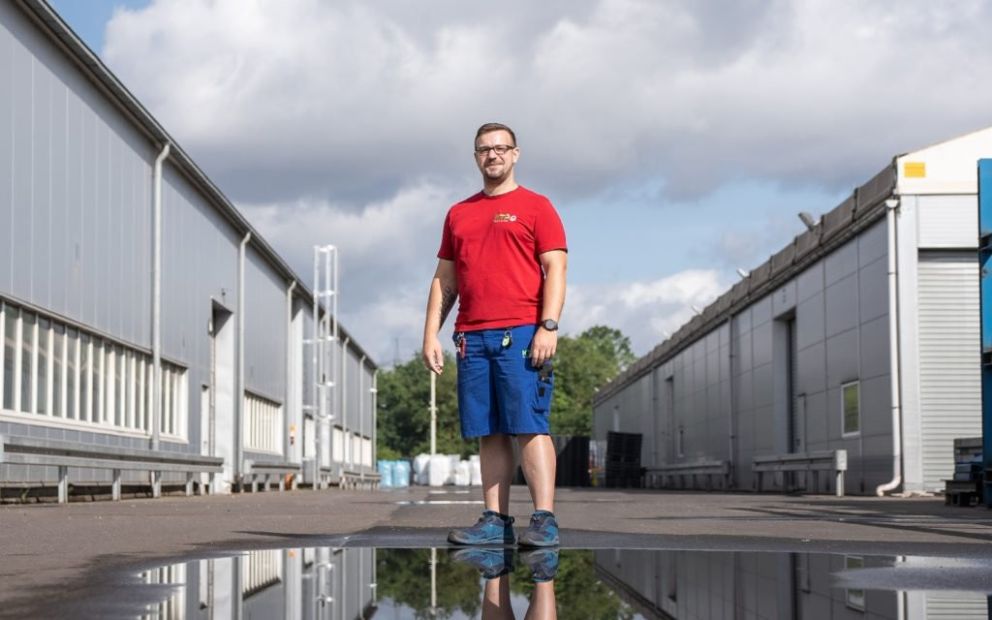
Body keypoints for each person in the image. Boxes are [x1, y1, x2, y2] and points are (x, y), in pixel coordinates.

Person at [422, 122, 567, 547]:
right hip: (473, 335)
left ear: (516, 154)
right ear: (476, 157)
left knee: (529, 424)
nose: (493, 156)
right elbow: (444, 278)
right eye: (485, 149)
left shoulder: (537, 206)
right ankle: (495, 521)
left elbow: (555, 268)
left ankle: (543, 520)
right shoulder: (459, 214)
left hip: (523, 332)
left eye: (501, 148)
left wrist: (548, 325)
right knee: (489, 430)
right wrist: (432, 332)